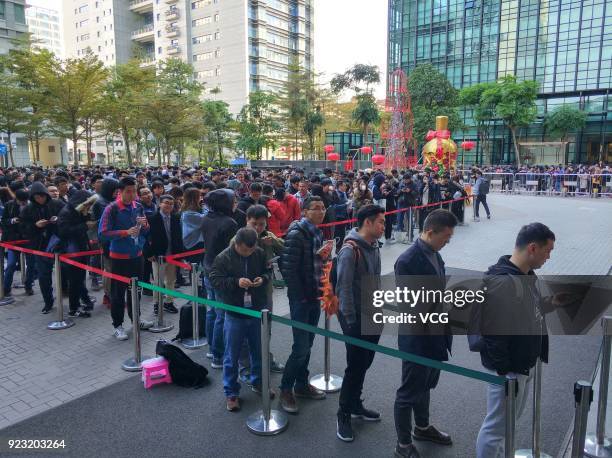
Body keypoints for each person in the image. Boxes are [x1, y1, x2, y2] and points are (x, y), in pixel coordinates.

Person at [475, 223, 560, 458]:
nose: (549, 257)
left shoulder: (525, 276)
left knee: (507, 424)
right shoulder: (503, 281)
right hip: (509, 370)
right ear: (533, 248)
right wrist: (505, 371)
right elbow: (493, 333)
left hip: (522, 363)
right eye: (548, 251)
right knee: (496, 428)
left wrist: (551, 304)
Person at [393, 209, 457, 458]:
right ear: (430, 232)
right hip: (417, 338)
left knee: (426, 384)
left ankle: (422, 426)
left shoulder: (434, 254)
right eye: (446, 237)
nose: (448, 242)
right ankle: (402, 443)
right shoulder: (407, 260)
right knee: (408, 391)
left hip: (436, 333)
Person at [336, 205, 386, 442]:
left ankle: (355, 403)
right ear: (367, 222)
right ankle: (343, 413)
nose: (383, 227)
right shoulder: (350, 249)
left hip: (373, 314)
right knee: (355, 366)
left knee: (365, 362)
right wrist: (351, 321)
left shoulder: (374, 246)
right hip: (355, 318)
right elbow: (343, 287)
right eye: (380, 222)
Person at [279, 196, 333, 413]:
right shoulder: (296, 234)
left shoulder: (317, 232)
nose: (321, 212)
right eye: (315, 209)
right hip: (302, 298)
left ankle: (302, 384)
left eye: (323, 208)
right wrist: (300, 295)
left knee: (308, 343)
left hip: (315, 295)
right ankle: (286, 388)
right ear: (305, 212)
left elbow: (315, 262)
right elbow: (288, 269)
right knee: (300, 346)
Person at [210, 227, 271, 412]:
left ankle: (259, 382)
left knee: (259, 350)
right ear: (236, 243)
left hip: (256, 310)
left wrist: (263, 279)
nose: (248, 253)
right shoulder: (223, 257)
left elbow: (268, 272)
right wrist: (236, 282)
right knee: (232, 354)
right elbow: (214, 280)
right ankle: (231, 392)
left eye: (251, 250)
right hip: (234, 311)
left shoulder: (259, 253)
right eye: (245, 250)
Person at [98, 176, 154, 340]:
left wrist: (145, 226)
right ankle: (118, 325)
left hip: (137, 255)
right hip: (119, 258)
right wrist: (125, 233)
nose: (132, 195)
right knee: (118, 293)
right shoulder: (111, 208)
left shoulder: (138, 207)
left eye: (134, 191)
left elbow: (145, 231)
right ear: (120, 192)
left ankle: (136, 319)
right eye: (128, 191)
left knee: (136, 290)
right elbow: (102, 234)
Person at [201, 189, 239, 368]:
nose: (235, 203)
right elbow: (232, 251)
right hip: (222, 273)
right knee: (222, 315)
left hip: (208, 267)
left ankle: (211, 349)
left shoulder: (207, 217)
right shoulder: (229, 222)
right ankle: (218, 355)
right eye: (233, 200)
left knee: (212, 311)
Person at [19, 182, 65, 314]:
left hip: (58, 244)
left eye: (42, 196)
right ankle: (48, 302)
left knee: (65, 272)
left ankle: (69, 297)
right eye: (37, 197)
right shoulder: (28, 209)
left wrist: (57, 220)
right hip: (39, 246)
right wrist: (35, 225)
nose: (40, 199)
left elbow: (67, 217)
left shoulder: (56, 204)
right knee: (44, 276)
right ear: (32, 197)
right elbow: (22, 228)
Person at [57, 190, 96, 318]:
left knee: (79, 279)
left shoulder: (77, 210)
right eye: (87, 204)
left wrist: (86, 216)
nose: (88, 207)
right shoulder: (67, 212)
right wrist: (85, 226)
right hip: (72, 251)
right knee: (75, 280)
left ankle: (84, 300)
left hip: (80, 248)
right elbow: (64, 232)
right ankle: (74, 308)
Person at [144, 195, 185, 315]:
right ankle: (157, 304)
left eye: (171, 204)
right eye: (166, 203)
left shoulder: (176, 217)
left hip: (172, 255)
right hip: (158, 255)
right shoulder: (151, 218)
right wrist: (148, 253)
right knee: (158, 281)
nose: (169, 206)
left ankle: (169, 302)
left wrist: (180, 254)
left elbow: (178, 237)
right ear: (160, 204)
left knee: (171, 280)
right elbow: (145, 238)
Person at [1, 188, 35, 296]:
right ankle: (6, 287)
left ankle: (28, 285)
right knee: (11, 264)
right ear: (16, 198)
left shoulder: (32, 206)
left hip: (29, 239)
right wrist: (12, 220)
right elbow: (4, 221)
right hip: (14, 240)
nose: (23, 203)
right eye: (21, 201)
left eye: (25, 201)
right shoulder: (9, 205)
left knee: (31, 265)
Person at [92, 177, 120, 308]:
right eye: (115, 191)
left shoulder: (113, 201)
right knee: (109, 269)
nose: (117, 193)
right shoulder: (100, 203)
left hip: (116, 239)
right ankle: (108, 295)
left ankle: (113, 294)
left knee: (115, 269)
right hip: (107, 241)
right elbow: (101, 224)